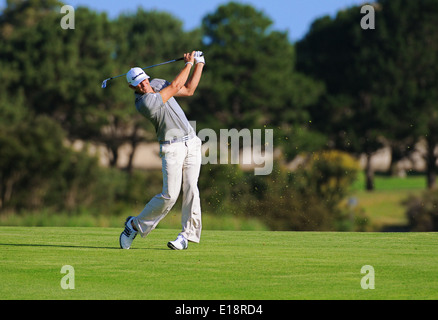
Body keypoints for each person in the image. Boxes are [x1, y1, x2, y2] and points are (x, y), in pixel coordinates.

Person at [119, 51, 205, 250]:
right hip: (171, 147)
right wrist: (188, 64)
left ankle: (186, 236)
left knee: (192, 188)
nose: (144, 85)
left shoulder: (157, 82)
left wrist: (200, 63)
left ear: (147, 77)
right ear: (132, 86)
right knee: (170, 196)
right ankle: (134, 225)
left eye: (144, 80)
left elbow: (189, 90)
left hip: (191, 142)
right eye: (138, 84)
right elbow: (175, 86)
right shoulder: (144, 104)